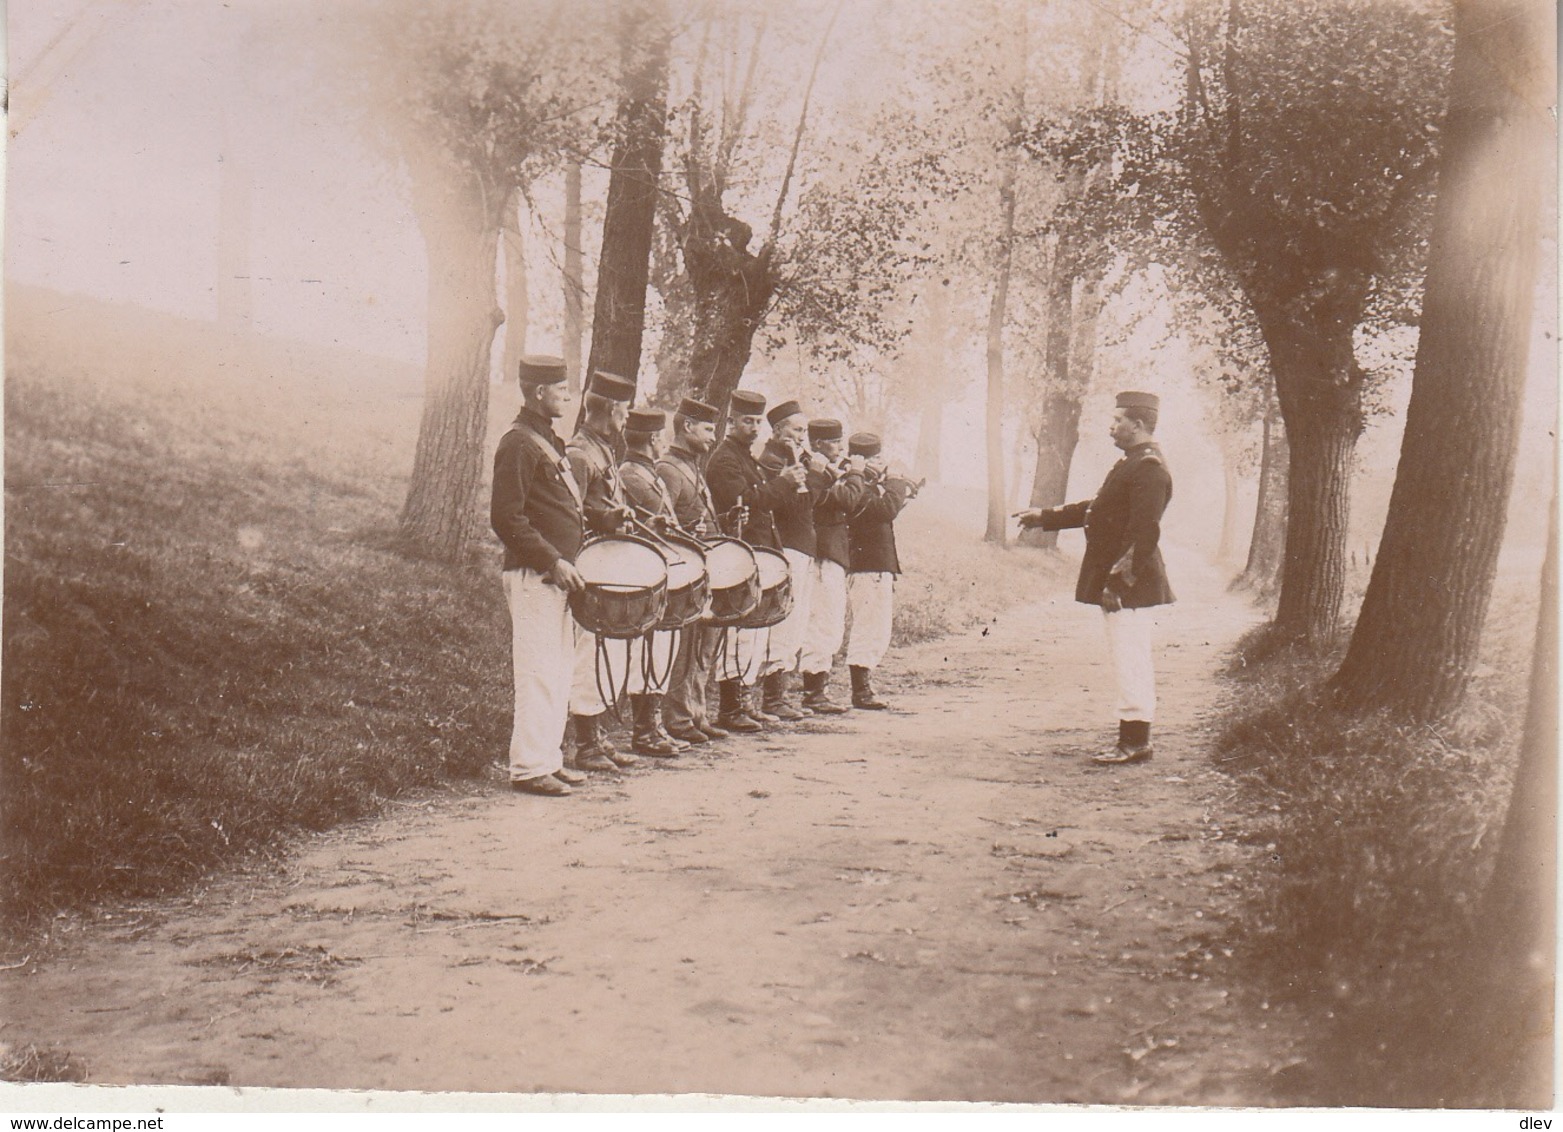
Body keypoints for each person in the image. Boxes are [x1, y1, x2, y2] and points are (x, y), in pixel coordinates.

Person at [1016, 391, 1174, 765]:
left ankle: (1136, 741)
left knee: (1130, 656)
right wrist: (1047, 517)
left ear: (1138, 424)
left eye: (1118, 420)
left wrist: (1119, 583)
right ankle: (1133, 737)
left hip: (1131, 585)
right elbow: (1100, 507)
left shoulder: (1149, 468)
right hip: (1125, 582)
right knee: (1126, 654)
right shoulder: (1132, 463)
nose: (1111, 427)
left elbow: (1143, 532)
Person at [489, 355, 588, 798]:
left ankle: (549, 758)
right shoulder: (518, 444)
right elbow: (506, 518)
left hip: (557, 577)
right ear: (538, 393)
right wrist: (552, 560)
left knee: (559, 669)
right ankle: (528, 766)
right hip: (536, 576)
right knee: (537, 672)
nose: (566, 394)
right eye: (560, 388)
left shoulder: (547, 440)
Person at [704, 389, 803, 732]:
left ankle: (745, 701)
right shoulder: (725, 459)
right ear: (730, 421)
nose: (754, 428)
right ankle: (730, 707)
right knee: (739, 632)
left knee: (755, 631)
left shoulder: (745, 457)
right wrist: (783, 484)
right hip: (738, 553)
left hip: (757, 550)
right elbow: (744, 501)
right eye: (747, 421)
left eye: (758, 421)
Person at [565, 370, 637, 772]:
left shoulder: (602, 450)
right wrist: (607, 519)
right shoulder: (579, 453)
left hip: (606, 562)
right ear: (610, 410)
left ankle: (598, 736)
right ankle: (586, 742)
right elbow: (569, 514)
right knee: (587, 652)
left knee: (603, 650)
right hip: (587, 565)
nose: (625, 420)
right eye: (623, 412)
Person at [655, 396, 730, 745]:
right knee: (685, 648)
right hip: (685, 572)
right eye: (707, 429)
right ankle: (678, 718)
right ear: (687, 427)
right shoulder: (668, 469)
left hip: (702, 570)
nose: (713, 437)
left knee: (703, 645)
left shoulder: (692, 466)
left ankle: (695, 713)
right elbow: (661, 524)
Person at [616, 406, 687, 758]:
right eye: (661, 438)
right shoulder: (631, 473)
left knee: (660, 651)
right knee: (648, 653)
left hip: (660, 571)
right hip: (644, 573)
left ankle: (650, 725)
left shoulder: (646, 472)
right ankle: (643, 731)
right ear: (655, 439)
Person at [843, 433, 918, 711]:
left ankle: (863, 687)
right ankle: (860, 691)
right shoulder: (857, 485)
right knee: (869, 626)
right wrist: (897, 482)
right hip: (867, 566)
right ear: (860, 460)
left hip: (874, 566)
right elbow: (886, 510)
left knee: (877, 628)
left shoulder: (866, 485)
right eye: (874, 458)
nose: (880, 463)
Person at [799, 418, 868, 714]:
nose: (841, 448)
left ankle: (818, 689)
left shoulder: (826, 470)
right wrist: (855, 473)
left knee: (830, 620)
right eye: (835, 443)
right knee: (823, 620)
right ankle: (814, 692)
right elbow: (850, 499)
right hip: (823, 552)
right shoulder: (813, 470)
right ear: (817, 444)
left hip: (832, 552)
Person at [756, 400, 820, 721]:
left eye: (805, 431)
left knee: (796, 621)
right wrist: (816, 476)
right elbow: (796, 507)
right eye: (797, 430)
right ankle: (772, 695)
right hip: (787, 547)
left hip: (802, 547)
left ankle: (778, 693)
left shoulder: (792, 458)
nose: (802, 437)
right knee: (783, 621)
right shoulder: (771, 461)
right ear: (779, 430)